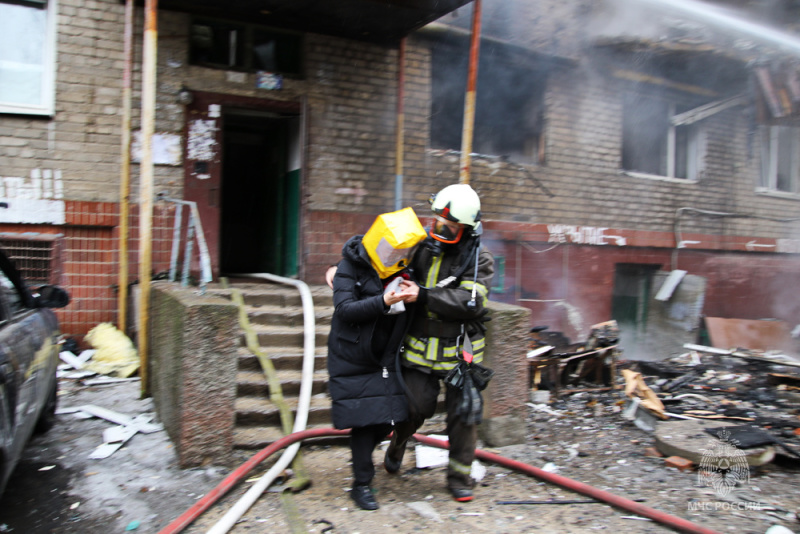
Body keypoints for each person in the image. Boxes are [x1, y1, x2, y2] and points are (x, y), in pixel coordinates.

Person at [326, 184, 494, 503]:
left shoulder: (479, 259)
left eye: (448, 227)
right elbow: (379, 257)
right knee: (412, 407)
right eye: (436, 223)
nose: (438, 230)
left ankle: (459, 478)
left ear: (467, 229)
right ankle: (399, 442)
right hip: (418, 345)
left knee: (465, 414)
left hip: (460, 350)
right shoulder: (424, 247)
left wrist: (425, 295)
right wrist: (343, 267)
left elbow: (471, 303)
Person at [327, 207, 426, 511]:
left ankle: (368, 469)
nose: (398, 254)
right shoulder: (350, 265)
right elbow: (345, 309)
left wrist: (416, 294)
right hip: (353, 356)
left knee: (387, 418)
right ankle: (361, 485)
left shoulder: (401, 269)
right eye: (394, 248)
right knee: (363, 420)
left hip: (386, 357)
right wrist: (383, 301)